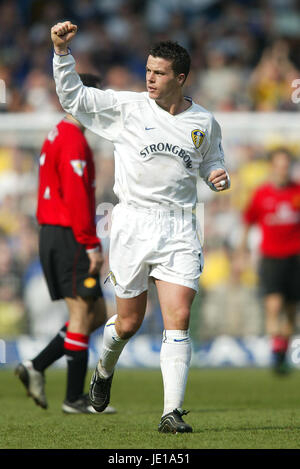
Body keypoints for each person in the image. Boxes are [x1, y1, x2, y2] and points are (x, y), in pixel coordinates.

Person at [50, 21, 230, 433]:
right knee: (128, 323)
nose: (150, 78)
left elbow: (210, 161)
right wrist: (62, 54)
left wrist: (217, 174)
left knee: (179, 316)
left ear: (181, 78)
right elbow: (72, 96)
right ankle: (104, 371)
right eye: (148, 70)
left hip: (181, 226)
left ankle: (172, 412)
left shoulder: (204, 121)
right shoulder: (128, 108)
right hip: (133, 222)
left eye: (160, 72)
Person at [15, 73, 116, 415]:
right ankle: (74, 398)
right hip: (67, 233)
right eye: (97, 102)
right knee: (81, 313)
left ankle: (36, 366)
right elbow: (75, 197)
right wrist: (90, 243)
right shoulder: (73, 140)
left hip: (56, 231)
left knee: (97, 312)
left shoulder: (58, 132)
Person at [240, 148, 300, 373]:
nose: (283, 170)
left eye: (286, 166)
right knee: (273, 306)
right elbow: (248, 223)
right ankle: (276, 353)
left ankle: (282, 349)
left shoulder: (297, 191)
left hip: (295, 258)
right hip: (271, 257)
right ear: (272, 167)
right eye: (279, 165)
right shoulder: (262, 194)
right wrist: (242, 252)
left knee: (292, 311)